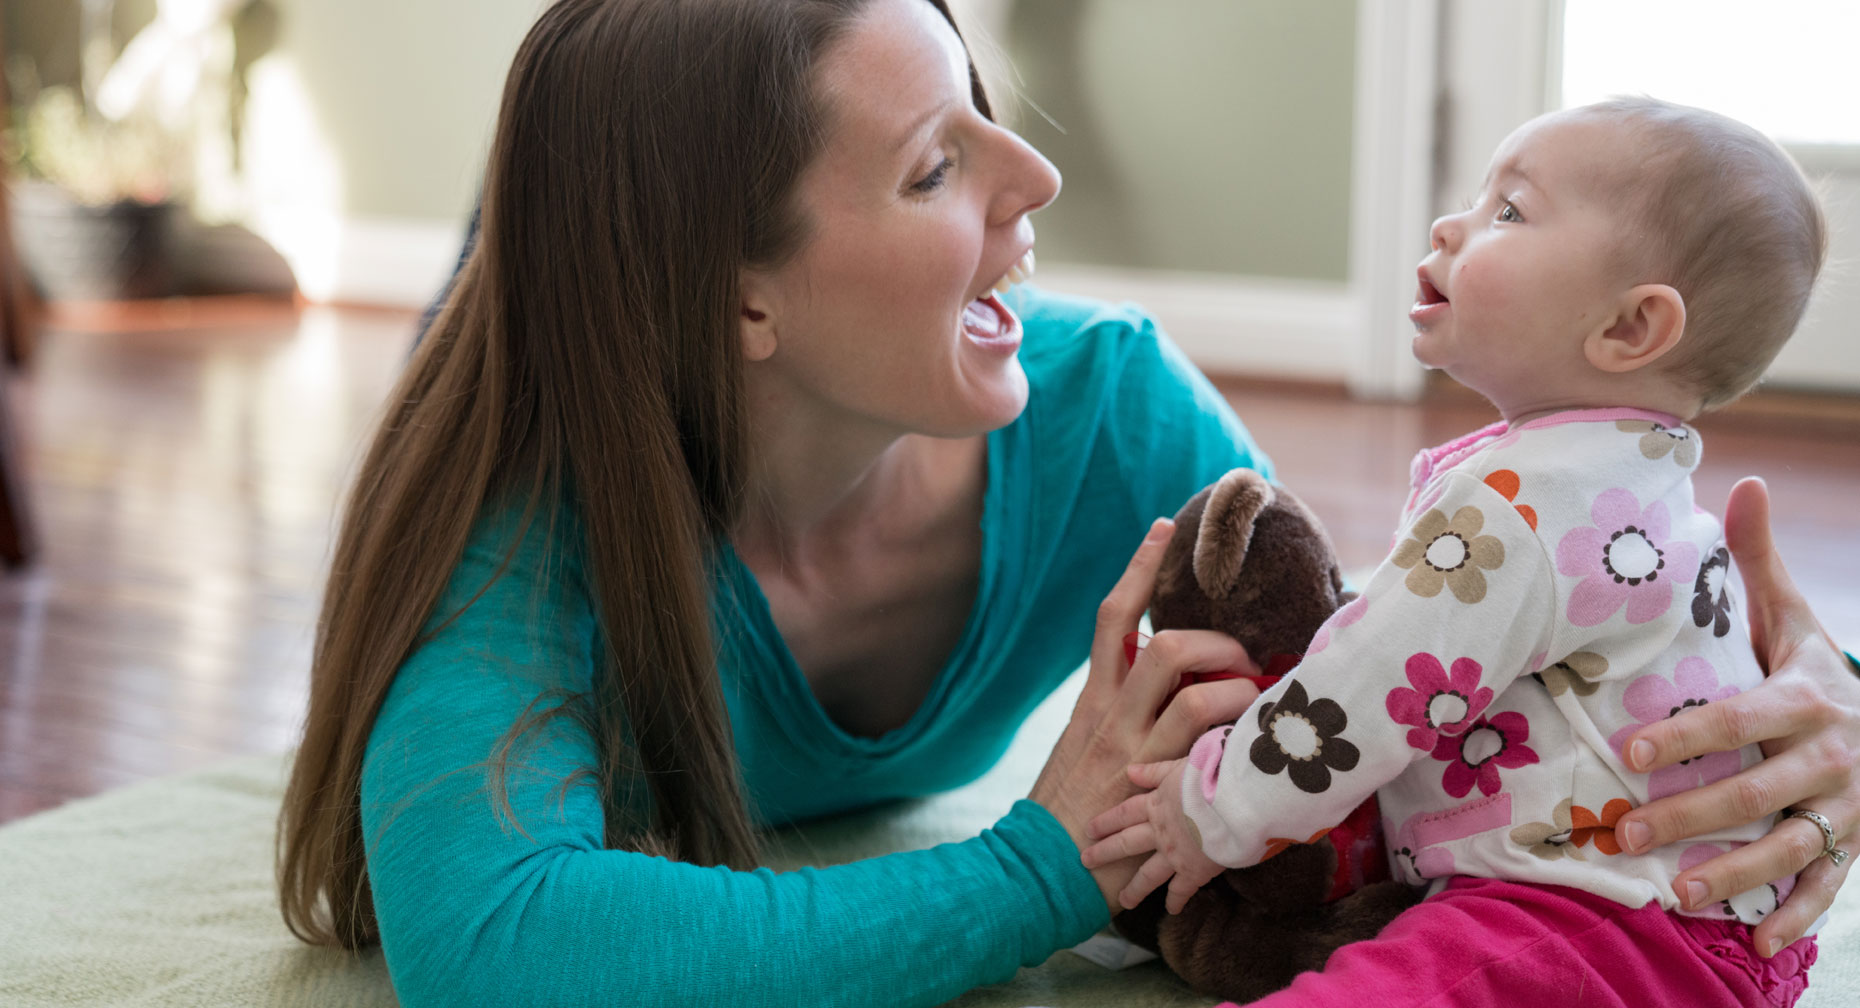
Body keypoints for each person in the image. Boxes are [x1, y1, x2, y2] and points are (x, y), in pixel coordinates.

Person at [270, 1, 1860, 1004]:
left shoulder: (1105, 404)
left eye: (986, 107)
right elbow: (496, 951)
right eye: (930, 167)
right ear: (739, 296)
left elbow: (1394, 640)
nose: (1034, 181)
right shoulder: (537, 533)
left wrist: (1807, 696)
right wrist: (1038, 868)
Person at [1084, 98, 1848, 1007]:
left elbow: (1367, 685)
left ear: (1630, 329)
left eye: (1511, 212)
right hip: (1695, 920)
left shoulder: (1522, 510)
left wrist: (1209, 812)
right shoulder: (1631, 491)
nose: (1453, 225)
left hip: (1600, 920)